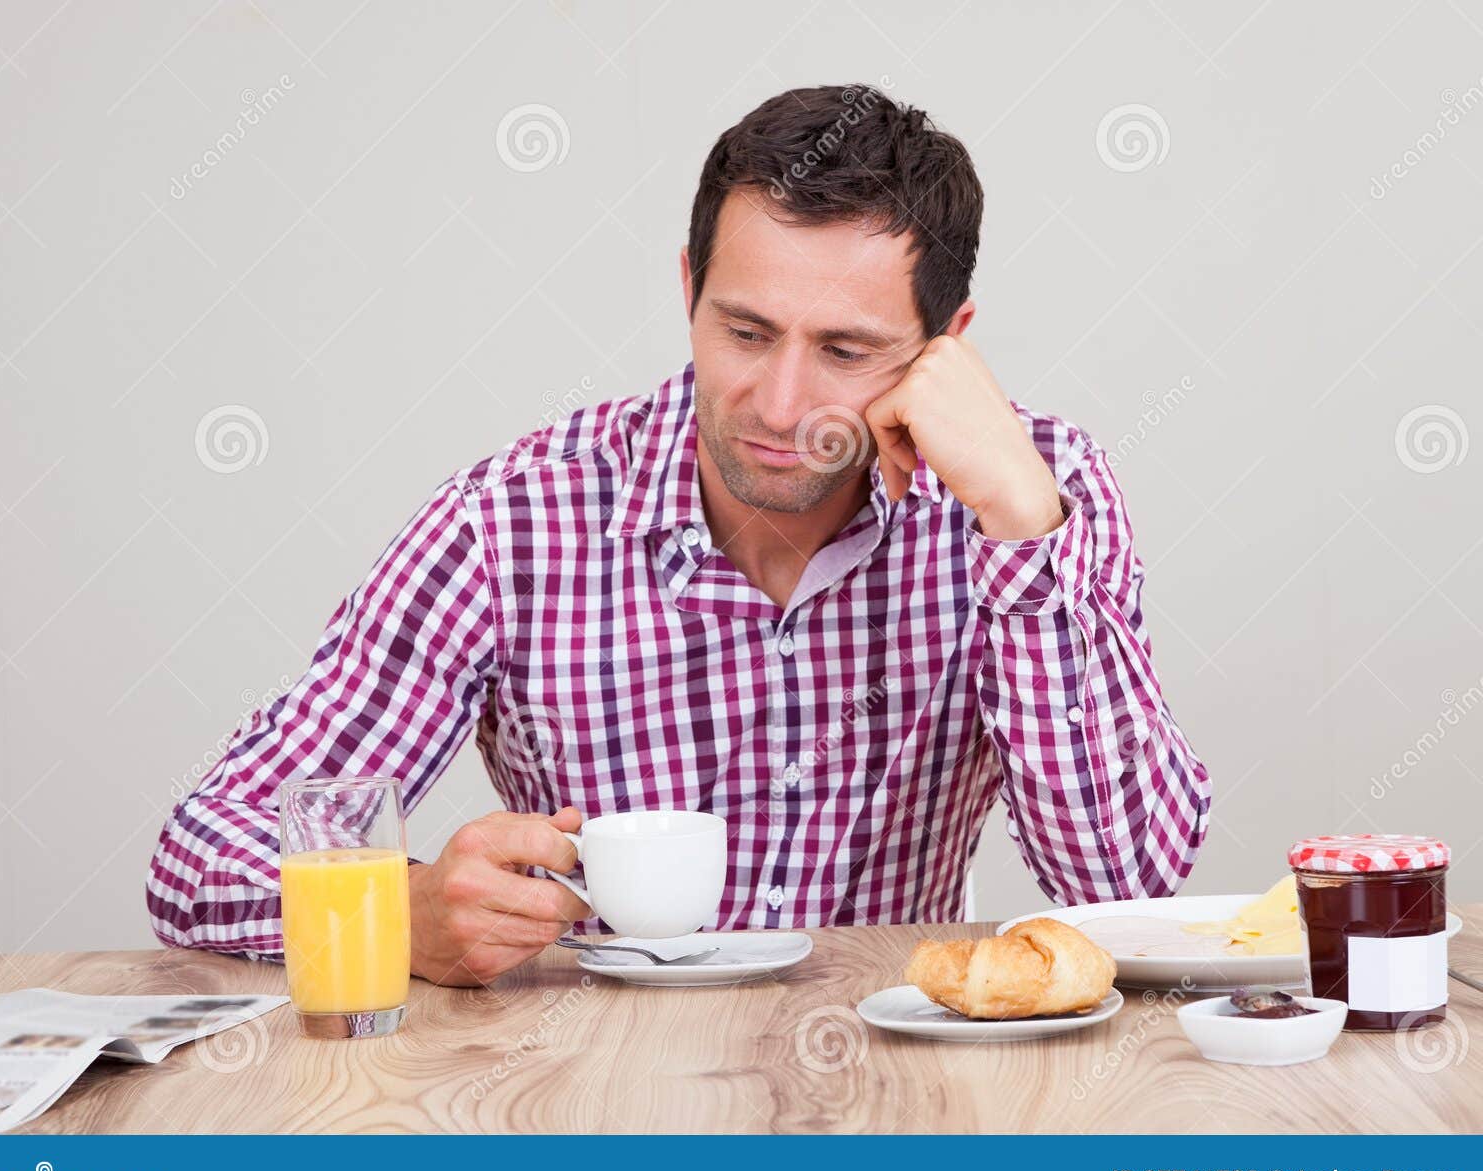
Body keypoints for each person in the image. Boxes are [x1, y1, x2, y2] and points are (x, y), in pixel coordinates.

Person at [147, 84, 1211, 986]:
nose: (781, 403)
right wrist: (399, 908)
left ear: (947, 346)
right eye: (744, 332)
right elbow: (201, 853)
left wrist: (1022, 529)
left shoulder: (1036, 492)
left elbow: (1125, 883)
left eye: (846, 349)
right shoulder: (515, 521)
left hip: (895, 1099)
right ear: (688, 288)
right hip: (599, 1101)